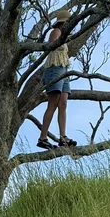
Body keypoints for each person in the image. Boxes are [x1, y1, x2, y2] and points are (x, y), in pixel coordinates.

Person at [37, 9, 78, 150]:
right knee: (53, 104)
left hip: (64, 68)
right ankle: (43, 138)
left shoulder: (65, 35)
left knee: (63, 103)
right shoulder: (56, 32)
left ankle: (63, 137)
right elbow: (51, 47)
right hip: (54, 68)